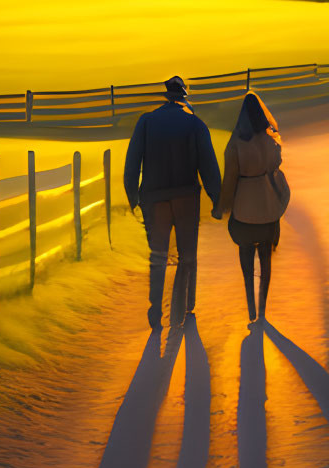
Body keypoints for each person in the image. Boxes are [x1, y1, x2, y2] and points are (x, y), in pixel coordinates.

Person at [124, 74, 222, 330]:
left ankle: (155, 306)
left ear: (167, 96)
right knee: (187, 254)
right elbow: (208, 165)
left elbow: (132, 161)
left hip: (154, 199)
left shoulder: (146, 122)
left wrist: (132, 195)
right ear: (184, 97)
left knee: (157, 255)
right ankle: (186, 304)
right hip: (186, 198)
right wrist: (216, 198)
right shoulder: (195, 124)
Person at [215, 91, 289, 324]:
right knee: (265, 258)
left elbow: (229, 181)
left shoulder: (235, 144)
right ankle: (263, 308)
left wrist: (222, 207)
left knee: (246, 258)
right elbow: (277, 164)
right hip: (268, 209)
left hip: (244, 211)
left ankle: (250, 306)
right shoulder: (270, 139)